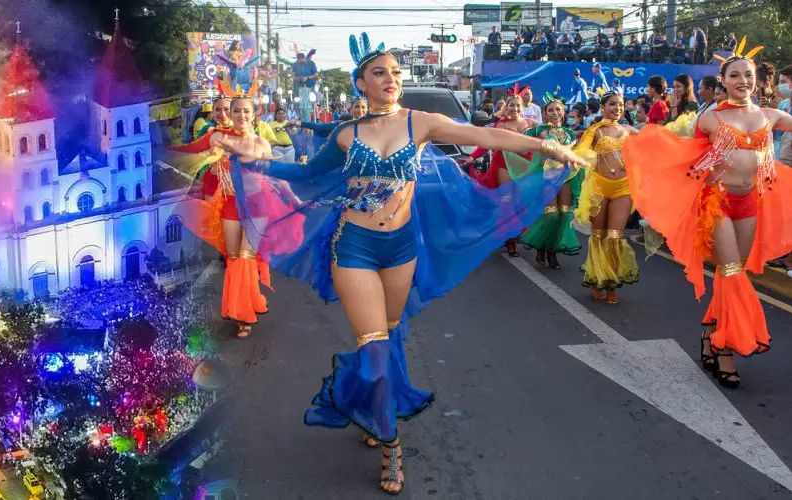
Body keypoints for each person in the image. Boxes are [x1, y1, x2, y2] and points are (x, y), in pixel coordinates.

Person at [219, 33, 587, 495]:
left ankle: (376, 407)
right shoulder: (347, 134)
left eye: (396, 72)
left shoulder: (422, 122)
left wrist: (550, 149)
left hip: (401, 250)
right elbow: (308, 175)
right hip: (352, 247)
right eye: (380, 72)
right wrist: (259, 163)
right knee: (373, 346)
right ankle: (392, 443)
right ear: (361, 84)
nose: (391, 79)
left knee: (390, 337)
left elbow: (488, 135)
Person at [623, 51, 792, 389]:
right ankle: (725, 347)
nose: (742, 81)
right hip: (717, 203)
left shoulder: (770, 115)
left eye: (748, 75)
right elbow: (686, 155)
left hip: (751, 202)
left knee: (735, 273)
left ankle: (710, 334)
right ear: (724, 81)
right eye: (735, 76)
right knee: (730, 271)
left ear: (757, 80)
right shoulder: (709, 119)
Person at [171, 83, 302, 338]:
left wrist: (295, 199)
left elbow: (276, 177)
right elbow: (199, 156)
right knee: (232, 257)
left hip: (257, 206)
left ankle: (244, 318)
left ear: (255, 115)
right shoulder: (222, 139)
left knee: (245, 256)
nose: (241, 115)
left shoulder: (262, 144)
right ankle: (242, 304)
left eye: (246, 111)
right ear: (229, 114)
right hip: (230, 204)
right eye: (236, 111)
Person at [574, 91, 640, 304]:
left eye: (621, 105)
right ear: (603, 108)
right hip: (599, 187)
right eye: (612, 104)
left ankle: (611, 283)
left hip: (623, 187)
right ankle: (597, 278)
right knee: (599, 235)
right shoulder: (594, 131)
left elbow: (655, 145)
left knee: (615, 236)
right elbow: (581, 153)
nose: (617, 108)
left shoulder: (630, 131)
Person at [460, 92, 538, 256]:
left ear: (522, 107)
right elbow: (487, 143)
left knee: (522, 203)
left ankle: (509, 232)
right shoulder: (500, 125)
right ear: (506, 108)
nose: (515, 108)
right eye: (511, 105)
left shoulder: (532, 123)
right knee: (509, 199)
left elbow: (544, 141)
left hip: (525, 166)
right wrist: (472, 156)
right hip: (503, 163)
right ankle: (511, 241)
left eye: (517, 105)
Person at [519, 94, 582, 269]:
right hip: (546, 176)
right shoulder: (538, 130)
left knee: (563, 215)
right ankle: (541, 246)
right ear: (545, 114)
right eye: (551, 110)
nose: (555, 113)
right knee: (551, 214)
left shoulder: (570, 133)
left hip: (566, 177)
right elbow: (520, 142)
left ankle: (552, 252)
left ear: (563, 112)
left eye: (558, 109)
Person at [292, 51, 319, 121]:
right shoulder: (295, 65)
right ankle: (300, 118)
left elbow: (316, 74)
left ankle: (316, 118)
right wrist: (298, 78)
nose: (300, 63)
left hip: (310, 85)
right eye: (299, 61)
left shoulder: (311, 63)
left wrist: (308, 77)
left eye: (301, 61)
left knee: (312, 102)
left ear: (304, 58)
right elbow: (293, 76)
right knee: (301, 104)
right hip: (299, 87)